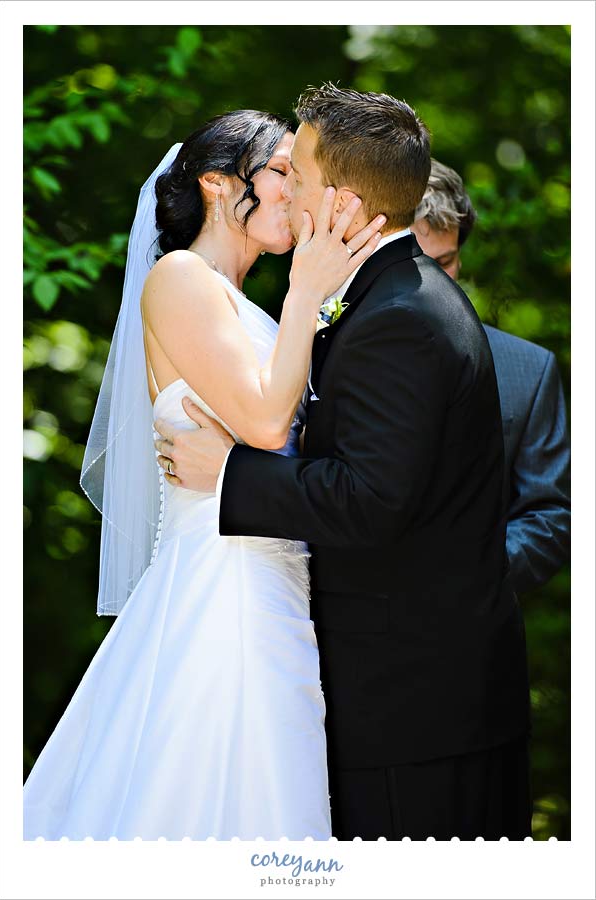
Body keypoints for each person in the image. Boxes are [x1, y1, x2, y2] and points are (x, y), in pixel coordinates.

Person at [154, 84, 533, 841]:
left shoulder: (401, 319)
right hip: (387, 690)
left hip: (413, 708)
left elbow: (370, 501)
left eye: (302, 175)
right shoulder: (385, 302)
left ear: (347, 207)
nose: (286, 186)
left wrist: (229, 475)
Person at [23, 109, 385, 840]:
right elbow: (264, 423)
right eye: (283, 168)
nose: (299, 188)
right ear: (219, 183)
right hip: (221, 590)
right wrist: (307, 294)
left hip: (280, 586)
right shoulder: (181, 277)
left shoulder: (247, 306)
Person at [411, 159, 571, 595]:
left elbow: (550, 514)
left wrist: (470, 576)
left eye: (445, 263)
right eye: (416, 264)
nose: (432, 284)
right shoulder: (325, 353)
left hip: (473, 635)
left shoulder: (531, 370)